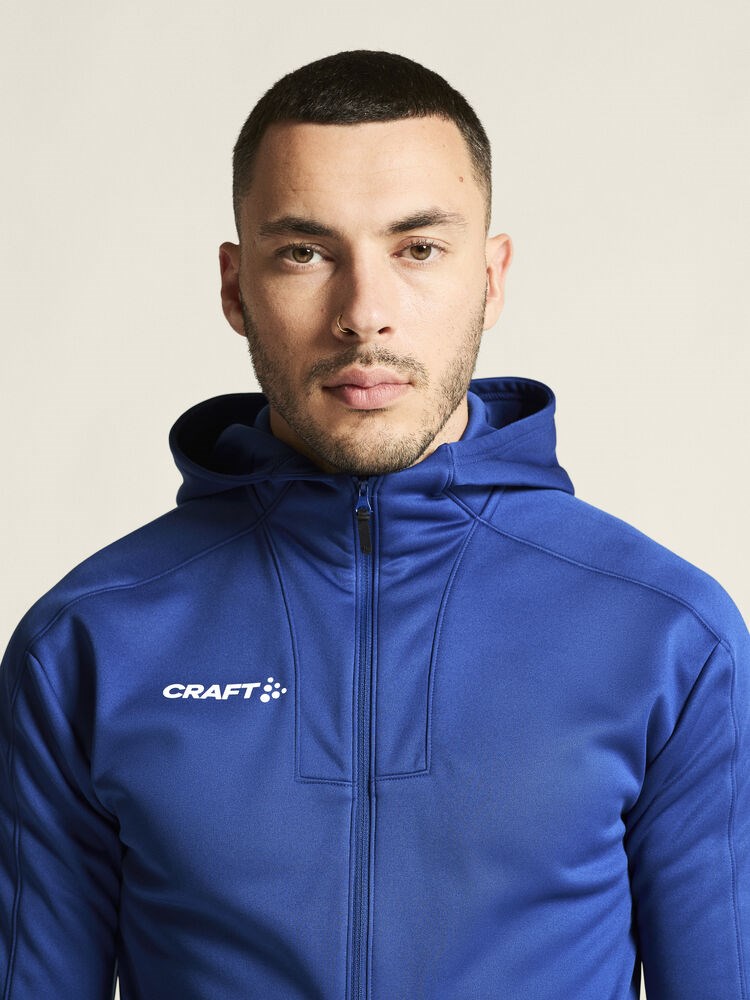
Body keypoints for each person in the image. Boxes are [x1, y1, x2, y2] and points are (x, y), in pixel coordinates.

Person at [0, 49, 747, 1000]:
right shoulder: (88, 641)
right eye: (305, 253)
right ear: (235, 288)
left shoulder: (668, 636)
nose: (364, 314)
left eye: (418, 248)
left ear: (491, 277)